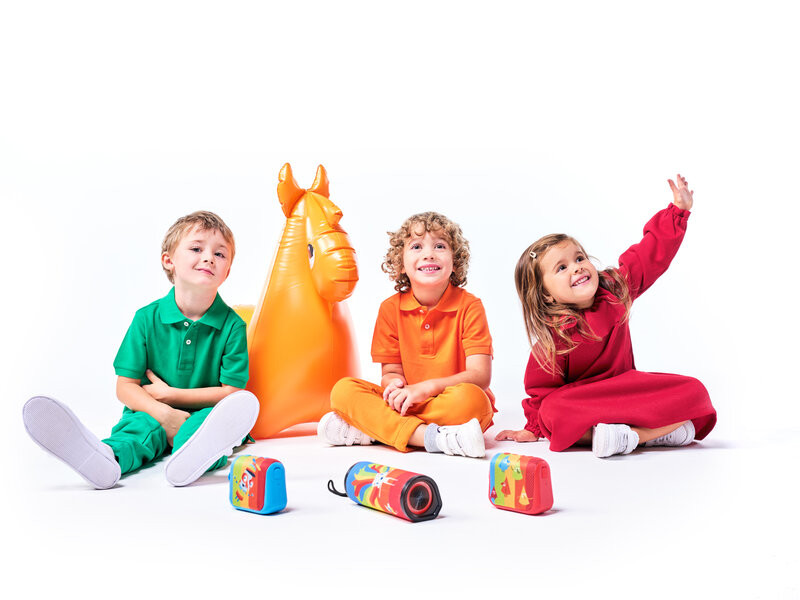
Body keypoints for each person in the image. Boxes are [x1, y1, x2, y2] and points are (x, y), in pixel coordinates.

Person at [22, 211, 259, 488]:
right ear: (169, 261)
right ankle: (106, 458)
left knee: (207, 429)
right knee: (137, 431)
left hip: (205, 414)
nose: (209, 258)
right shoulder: (146, 318)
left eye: (219, 254)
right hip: (150, 410)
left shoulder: (233, 326)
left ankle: (192, 456)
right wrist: (163, 414)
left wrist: (172, 395)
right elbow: (125, 387)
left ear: (227, 272)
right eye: (196, 249)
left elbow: (232, 393)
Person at [496, 175, 716, 458]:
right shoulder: (552, 340)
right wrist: (534, 428)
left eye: (579, 258)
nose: (577, 267)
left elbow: (650, 255)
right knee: (552, 411)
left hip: (628, 393)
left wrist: (678, 211)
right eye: (561, 268)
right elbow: (541, 392)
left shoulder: (616, 290)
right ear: (546, 294)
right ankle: (653, 434)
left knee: (695, 391)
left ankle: (633, 436)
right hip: (588, 404)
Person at [318, 211, 495, 458]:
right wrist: (395, 386)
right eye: (416, 246)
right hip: (405, 403)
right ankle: (434, 438)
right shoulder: (390, 309)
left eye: (440, 246)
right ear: (401, 264)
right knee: (343, 390)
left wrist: (425, 388)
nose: (429, 254)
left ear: (455, 262)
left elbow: (480, 376)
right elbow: (391, 372)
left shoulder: (470, 306)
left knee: (475, 401)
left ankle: (375, 431)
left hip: (448, 403)